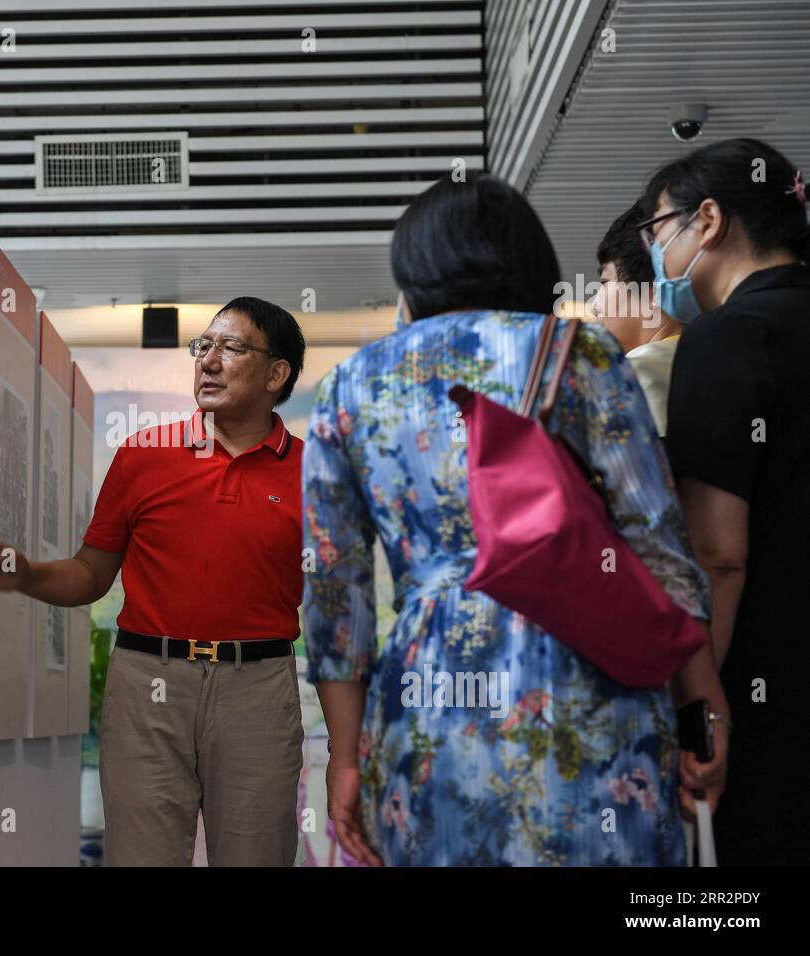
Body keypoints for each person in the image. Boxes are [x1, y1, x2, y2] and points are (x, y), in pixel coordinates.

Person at [303, 174, 728, 866]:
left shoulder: (350, 387)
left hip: (426, 695)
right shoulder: (578, 352)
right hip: (585, 668)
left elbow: (332, 598)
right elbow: (658, 547)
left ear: (414, 265)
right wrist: (703, 708)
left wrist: (346, 758)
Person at [0, 296, 308, 866]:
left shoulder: (311, 472)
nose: (209, 361)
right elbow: (89, 574)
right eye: (204, 346)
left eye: (232, 347)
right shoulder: (143, 455)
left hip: (260, 690)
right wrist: (25, 575)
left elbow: (344, 602)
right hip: (148, 683)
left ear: (277, 374)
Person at [640, 137, 810, 866]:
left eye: (658, 230)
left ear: (706, 220)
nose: (657, 254)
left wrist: (701, 713)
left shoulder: (726, 338)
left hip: (770, 674)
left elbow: (719, 554)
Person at [592, 204, 684, 435]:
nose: (594, 306)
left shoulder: (634, 372)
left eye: (604, 282)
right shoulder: (711, 352)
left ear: (652, 291)